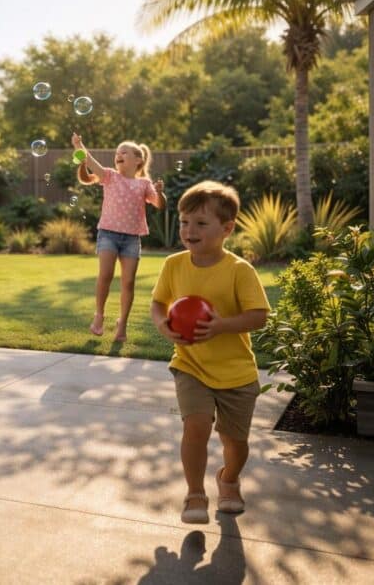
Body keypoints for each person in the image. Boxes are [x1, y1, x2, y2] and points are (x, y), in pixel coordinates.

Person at [150, 181, 270, 525]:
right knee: (196, 427)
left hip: (236, 373)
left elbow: (259, 316)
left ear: (227, 228)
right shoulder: (174, 265)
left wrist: (221, 325)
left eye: (201, 223)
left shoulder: (238, 270)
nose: (189, 230)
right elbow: (158, 304)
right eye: (185, 222)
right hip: (191, 365)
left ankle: (228, 480)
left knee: (235, 442)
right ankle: (195, 494)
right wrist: (162, 324)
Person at [71, 132, 166, 341]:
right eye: (117, 152)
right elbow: (89, 161)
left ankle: (122, 323)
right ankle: (99, 315)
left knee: (128, 282)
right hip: (108, 234)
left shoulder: (144, 184)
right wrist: (79, 144)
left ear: (138, 160)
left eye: (124, 152)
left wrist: (159, 192)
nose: (118, 155)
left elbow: (160, 205)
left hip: (132, 239)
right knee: (105, 275)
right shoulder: (109, 176)